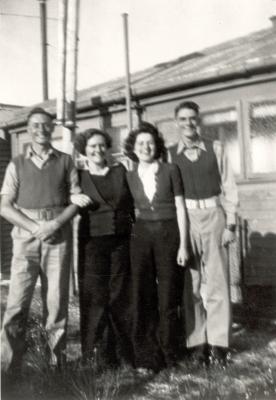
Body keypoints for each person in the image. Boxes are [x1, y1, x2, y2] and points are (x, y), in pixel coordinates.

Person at [0, 107, 80, 374]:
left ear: (52, 127)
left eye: (46, 125)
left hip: (58, 235)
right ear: (28, 128)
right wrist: (35, 227)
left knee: (56, 304)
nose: (41, 130)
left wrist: (56, 223)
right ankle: (9, 368)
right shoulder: (16, 164)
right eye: (35, 125)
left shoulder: (66, 161)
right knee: (16, 304)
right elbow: (5, 207)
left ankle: (55, 366)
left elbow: (76, 200)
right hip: (25, 238)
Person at [169, 101, 238, 364]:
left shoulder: (216, 148)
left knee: (218, 281)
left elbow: (229, 187)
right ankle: (197, 342)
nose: (189, 123)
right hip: (185, 219)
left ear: (200, 121)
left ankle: (219, 343)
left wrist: (230, 224)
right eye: (183, 119)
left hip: (213, 215)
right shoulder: (169, 154)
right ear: (177, 122)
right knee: (191, 283)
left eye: (193, 119)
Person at [124, 122, 189, 372]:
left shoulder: (171, 170)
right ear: (133, 148)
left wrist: (183, 245)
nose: (145, 147)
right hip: (141, 237)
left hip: (169, 234)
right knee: (143, 294)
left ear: (157, 145)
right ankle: (147, 357)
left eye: (149, 142)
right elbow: (127, 211)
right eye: (140, 143)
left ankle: (170, 353)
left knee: (168, 296)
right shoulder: (128, 175)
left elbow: (181, 208)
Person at [71, 128, 134, 370]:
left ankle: (121, 353)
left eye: (101, 146)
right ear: (84, 151)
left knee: (120, 296)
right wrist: (72, 198)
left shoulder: (120, 171)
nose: (97, 150)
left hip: (120, 240)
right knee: (95, 298)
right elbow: (65, 195)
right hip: (91, 243)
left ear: (107, 147)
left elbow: (132, 203)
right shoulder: (78, 176)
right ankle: (93, 355)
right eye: (92, 147)